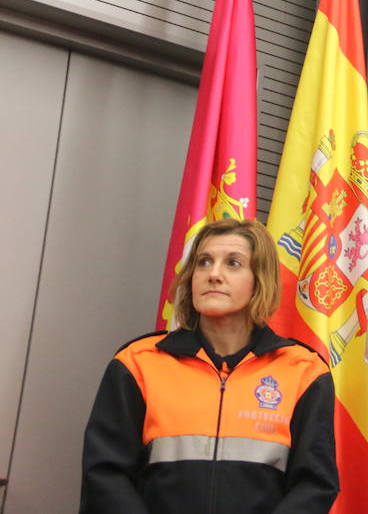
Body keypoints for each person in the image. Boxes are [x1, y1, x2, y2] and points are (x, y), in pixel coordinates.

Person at [80, 218, 338, 513]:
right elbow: (105, 475)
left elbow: (315, 484)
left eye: (233, 263)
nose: (213, 274)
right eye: (204, 262)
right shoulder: (137, 363)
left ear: (260, 279)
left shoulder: (303, 371)